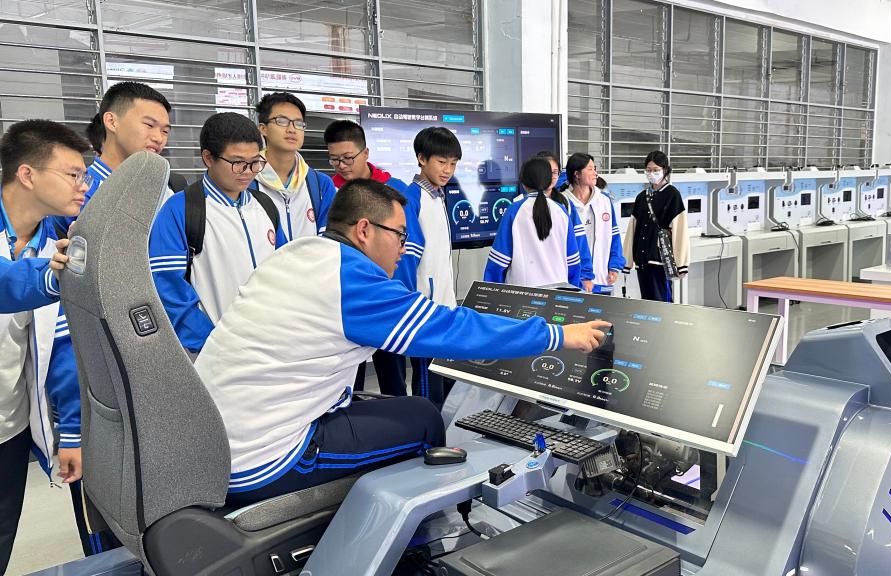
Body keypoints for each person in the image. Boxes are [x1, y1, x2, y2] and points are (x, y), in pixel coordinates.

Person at [194, 178, 609, 505]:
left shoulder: (299, 254)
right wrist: (559, 334)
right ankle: (421, 546)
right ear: (364, 230)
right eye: (399, 234)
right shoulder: (352, 281)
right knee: (424, 419)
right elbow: (456, 330)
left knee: (388, 407)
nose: (404, 248)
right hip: (262, 460)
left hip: (211, 444)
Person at [0, 120, 91, 569]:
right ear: (27, 174)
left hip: (10, 426)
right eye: (73, 174)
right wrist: (48, 278)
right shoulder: (53, 263)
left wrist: (70, 432)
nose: (83, 185)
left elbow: (63, 347)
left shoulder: (58, 243)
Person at [149, 112, 286, 354]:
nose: (248, 171)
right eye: (237, 162)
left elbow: (284, 271)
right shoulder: (181, 209)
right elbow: (168, 288)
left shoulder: (265, 206)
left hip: (272, 347)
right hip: (214, 352)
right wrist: (212, 345)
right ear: (208, 158)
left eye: (255, 162)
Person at [324, 119, 408, 395]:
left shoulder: (393, 190)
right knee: (350, 379)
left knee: (392, 376)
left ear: (365, 153)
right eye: (335, 159)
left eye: (348, 158)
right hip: (348, 298)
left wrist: (402, 291)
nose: (342, 165)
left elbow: (406, 245)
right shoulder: (329, 191)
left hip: (385, 294)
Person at [394, 127, 461, 406]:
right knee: (427, 387)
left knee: (446, 383)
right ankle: (427, 433)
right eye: (442, 162)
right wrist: (411, 306)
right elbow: (407, 259)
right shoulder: (412, 199)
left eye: (453, 163)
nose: (448, 170)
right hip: (425, 312)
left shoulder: (438, 196)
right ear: (422, 159)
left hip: (444, 309)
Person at [58, 82, 175, 233]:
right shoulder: (76, 190)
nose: (158, 138)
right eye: (149, 125)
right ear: (111, 122)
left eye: (165, 131)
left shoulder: (165, 190)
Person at [484, 157, 587, 289]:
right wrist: (574, 290)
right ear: (548, 180)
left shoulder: (514, 211)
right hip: (559, 292)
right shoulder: (561, 211)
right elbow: (573, 261)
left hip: (522, 293)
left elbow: (499, 261)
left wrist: (490, 292)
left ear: (523, 182)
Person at [252, 92, 337, 241]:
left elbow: (328, 242)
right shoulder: (247, 180)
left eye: (298, 123)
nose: (292, 129)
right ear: (263, 128)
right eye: (282, 121)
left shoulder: (321, 185)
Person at [623, 151, 689, 302]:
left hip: (661, 260)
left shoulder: (672, 195)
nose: (651, 173)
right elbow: (632, 229)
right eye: (648, 170)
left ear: (665, 170)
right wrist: (627, 260)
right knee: (647, 303)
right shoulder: (641, 197)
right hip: (642, 261)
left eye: (656, 170)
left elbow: (680, 231)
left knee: (662, 304)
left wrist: (682, 264)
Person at [561, 153, 623, 294]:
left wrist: (614, 265)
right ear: (577, 174)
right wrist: (583, 276)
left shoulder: (604, 200)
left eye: (595, 169)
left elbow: (614, 235)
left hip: (602, 277)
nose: (595, 173)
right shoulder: (563, 203)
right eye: (590, 169)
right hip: (573, 280)